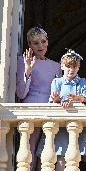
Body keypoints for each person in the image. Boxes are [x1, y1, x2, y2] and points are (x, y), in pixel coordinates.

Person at [36, 49, 86, 171]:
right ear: (62, 66)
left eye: (74, 67)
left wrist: (78, 99)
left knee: (74, 158)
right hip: (60, 127)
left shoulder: (83, 82)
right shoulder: (57, 82)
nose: (71, 70)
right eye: (68, 66)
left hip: (77, 124)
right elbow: (53, 101)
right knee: (60, 155)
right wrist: (57, 100)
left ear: (78, 67)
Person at [16, 26, 62, 171]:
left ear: (47, 42)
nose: (40, 46)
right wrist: (28, 71)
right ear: (30, 45)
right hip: (32, 110)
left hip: (52, 111)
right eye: (35, 43)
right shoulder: (22, 61)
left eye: (43, 41)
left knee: (46, 154)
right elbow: (21, 93)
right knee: (30, 153)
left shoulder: (56, 66)